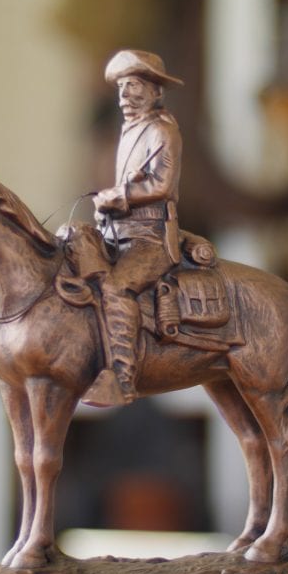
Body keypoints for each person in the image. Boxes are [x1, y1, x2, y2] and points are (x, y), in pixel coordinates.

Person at [83, 50, 184, 407]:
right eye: (123, 88)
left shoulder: (161, 130)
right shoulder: (129, 131)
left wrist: (118, 195)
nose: (126, 96)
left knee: (117, 287)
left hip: (150, 237)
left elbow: (161, 185)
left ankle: (122, 376)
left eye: (135, 87)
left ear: (156, 91)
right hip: (119, 233)